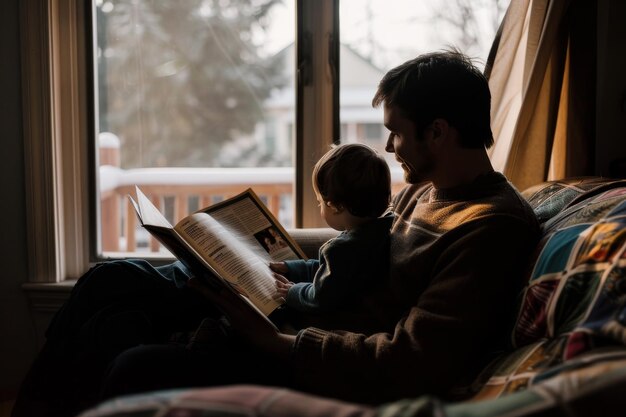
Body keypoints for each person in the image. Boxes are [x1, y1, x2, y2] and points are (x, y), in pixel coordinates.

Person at [12, 49, 540, 417]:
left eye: (396, 133)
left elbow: (410, 361)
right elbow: (359, 252)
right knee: (114, 282)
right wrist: (270, 266)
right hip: (291, 308)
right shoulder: (424, 190)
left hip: (307, 348)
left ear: (439, 132)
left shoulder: (491, 227)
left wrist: (276, 341)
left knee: (134, 361)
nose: (389, 148)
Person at [270, 143, 393, 330]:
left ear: (335, 206)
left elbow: (319, 297)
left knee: (279, 313)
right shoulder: (384, 230)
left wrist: (292, 292)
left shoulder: (343, 249)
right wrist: (292, 268)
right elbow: (328, 271)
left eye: (320, 202)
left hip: (345, 321)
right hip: (365, 315)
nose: (320, 207)